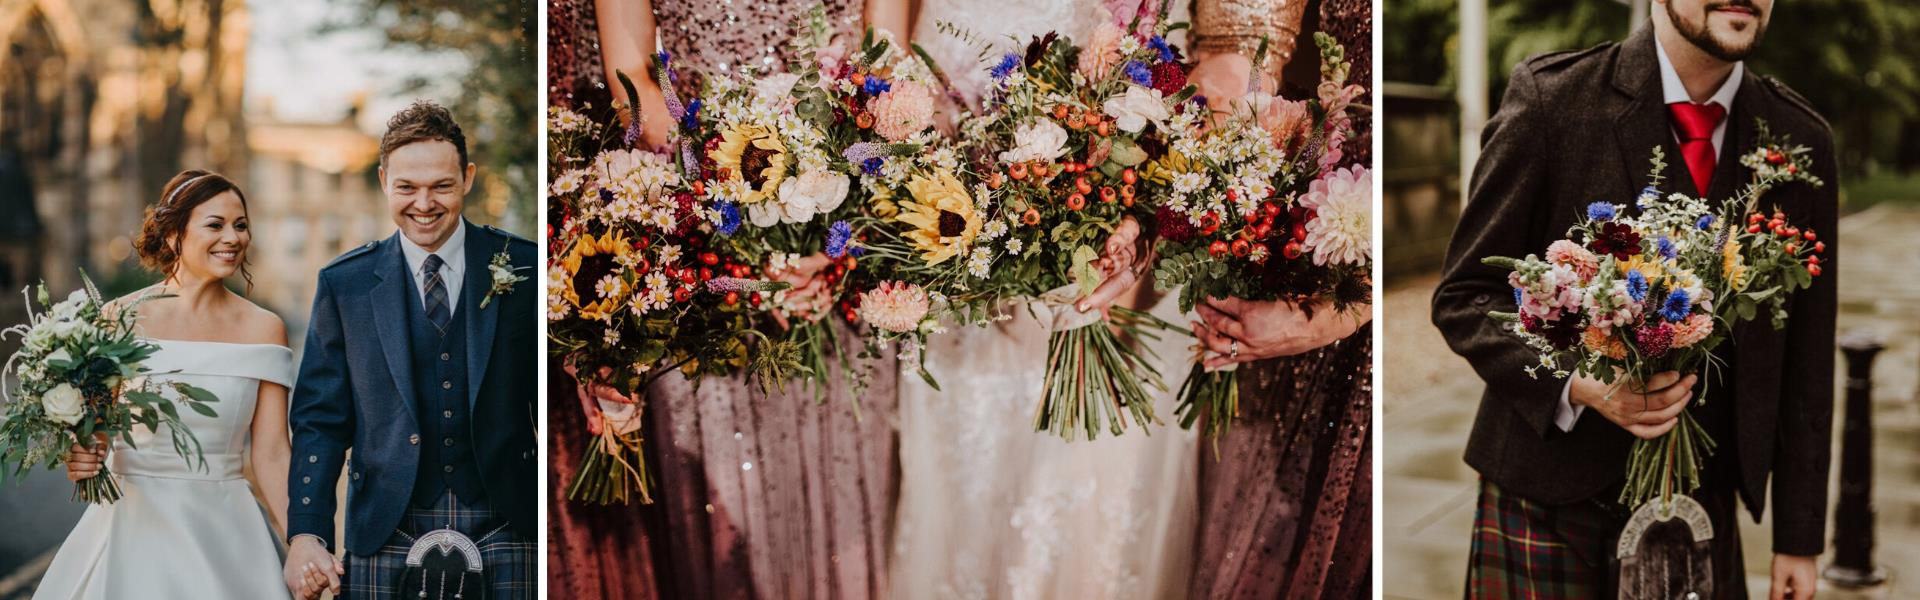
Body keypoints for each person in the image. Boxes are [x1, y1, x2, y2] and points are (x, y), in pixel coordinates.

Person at [1431, 0, 1836, 597]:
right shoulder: (1553, 99)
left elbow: (1808, 356)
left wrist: (1799, 538)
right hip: (1547, 500)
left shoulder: (1799, 139)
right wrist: (1581, 385)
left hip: (1702, 509)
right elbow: (1465, 296)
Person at [546, 1, 909, 598]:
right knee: (732, 527)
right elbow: (632, 75)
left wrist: (839, 231)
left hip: (836, 243)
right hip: (709, 241)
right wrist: (734, 202)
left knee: (842, 504)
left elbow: (889, 62)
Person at [887, 2, 1199, 597]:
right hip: (943, 198)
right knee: (964, 472)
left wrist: (1127, 225)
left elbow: (1174, 63)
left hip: (1097, 204)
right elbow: (885, 43)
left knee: (1074, 473)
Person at [280, 100, 538, 600]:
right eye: (407, 187)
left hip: (508, 518)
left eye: (441, 185)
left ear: (467, 178)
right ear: (384, 181)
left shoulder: (525, 267)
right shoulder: (345, 283)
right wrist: (307, 533)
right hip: (385, 524)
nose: (424, 203)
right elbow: (320, 421)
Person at [40, 170, 296, 599]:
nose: (233, 237)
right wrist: (82, 453)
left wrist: (303, 542)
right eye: (215, 225)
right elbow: (97, 430)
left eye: (241, 225)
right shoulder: (120, 318)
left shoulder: (265, 328)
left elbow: (271, 452)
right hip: (130, 525)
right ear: (174, 235)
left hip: (225, 530)